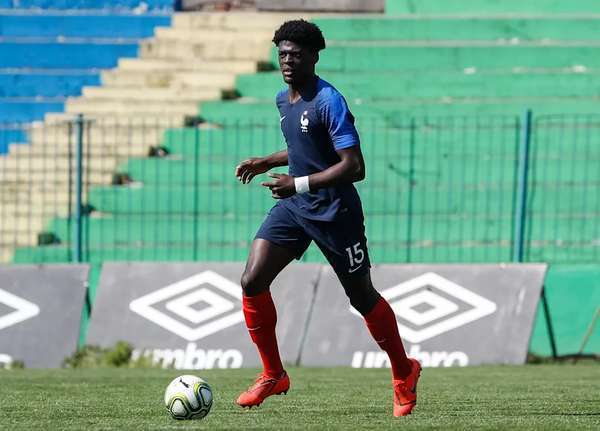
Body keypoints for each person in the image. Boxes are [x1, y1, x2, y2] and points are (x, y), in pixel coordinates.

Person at [234, 19, 421, 417]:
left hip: (336, 213)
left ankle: (403, 371)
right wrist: (268, 160)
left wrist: (298, 183)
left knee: (362, 297)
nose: (288, 61)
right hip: (296, 208)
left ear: (314, 57)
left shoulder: (329, 100)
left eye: (296, 55)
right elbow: (305, 145)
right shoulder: (283, 100)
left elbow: (354, 166)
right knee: (252, 280)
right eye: (282, 54)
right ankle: (273, 374)